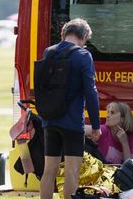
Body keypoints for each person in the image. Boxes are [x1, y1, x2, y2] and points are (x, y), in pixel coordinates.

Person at [40, 18, 101, 199]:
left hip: (50, 120)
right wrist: (96, 125)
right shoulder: (83, 56)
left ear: (63, 34)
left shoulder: (48, 52)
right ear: (83, 37)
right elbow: (91, 93)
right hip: (73, 123)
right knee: (71, 172)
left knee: (48, 171)